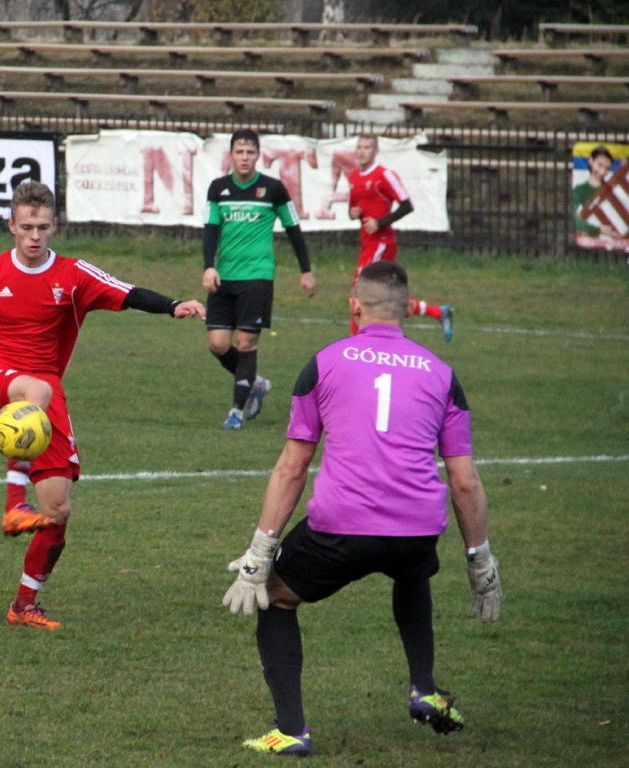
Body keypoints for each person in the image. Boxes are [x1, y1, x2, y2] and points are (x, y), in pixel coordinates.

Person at [0, 181, 206, 631]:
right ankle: (12, 503)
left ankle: (23, 605)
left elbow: (127, 291)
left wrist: (173, 305)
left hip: (45, 395)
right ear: (11, 226)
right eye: (26, 227)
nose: (35, 236)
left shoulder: (74, 275)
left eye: (42, 227)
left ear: (54, 225)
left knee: (58, 511)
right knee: (36, 391)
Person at [222, 260, 502, 757]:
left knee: (273, 594)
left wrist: (259, 552)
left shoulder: (325, 361)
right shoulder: (442, 374)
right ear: (406, 313)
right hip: (417, 531)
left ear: (355, 307)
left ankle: (290, 730)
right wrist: (480, 559)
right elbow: (464, 480)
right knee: (411, 572)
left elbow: (292, 466)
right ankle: (423, 689)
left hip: (340, 528)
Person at [203, 128, 316, 431]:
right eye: (239, 152)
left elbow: (293, 228)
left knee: (247, 342)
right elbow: (210, 229)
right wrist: (208, 266)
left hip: (257, 276)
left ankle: (236, 411)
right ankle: (255, 383)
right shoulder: (218, 189)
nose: (244, 157)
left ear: (258, 156)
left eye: (250, 152)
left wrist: (305, 270)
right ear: (231, 155)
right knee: (217, 343)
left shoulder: (273, 189)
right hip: (223, 277)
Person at [348, 134, 453, 341]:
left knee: (358, 292)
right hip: (367, 244)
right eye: (359, 147)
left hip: (382, 243)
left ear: (376, 151)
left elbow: (406, 205)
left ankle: (357, 341)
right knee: (385, 294)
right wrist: (353, 213)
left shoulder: (384, 175)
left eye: (367, 147)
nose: (362, 151)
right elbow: (354, 209)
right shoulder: (354, 178)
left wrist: (380, 222)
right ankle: (438, 312)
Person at [572, 145, 621, 243]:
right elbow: (573, 219)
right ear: (591, 162)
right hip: (587, 242)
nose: (602, 171)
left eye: (607, 168)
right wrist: (599, 230)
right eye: (600, 165)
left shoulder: (610, 190)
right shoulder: (580, 190)